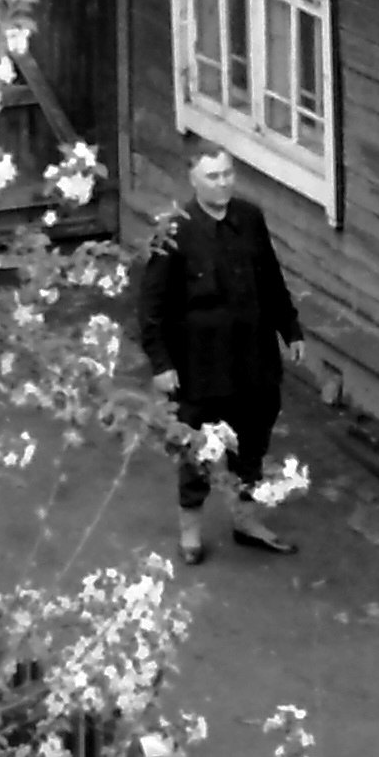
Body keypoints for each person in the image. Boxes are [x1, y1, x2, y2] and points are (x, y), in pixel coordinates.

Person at [137, 145, 306, 565]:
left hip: (253, 357)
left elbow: (271, 279)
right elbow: (151, 307)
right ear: (193, 180)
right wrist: (161, 364)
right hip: (200, 366)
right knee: (196, 448)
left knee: (252, 440)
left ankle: (246, 521)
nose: (224, 182)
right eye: (213, 176)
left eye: (228, 173)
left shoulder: (250, 219)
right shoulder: (173, 230)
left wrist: (291, 329)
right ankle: (190, 534)